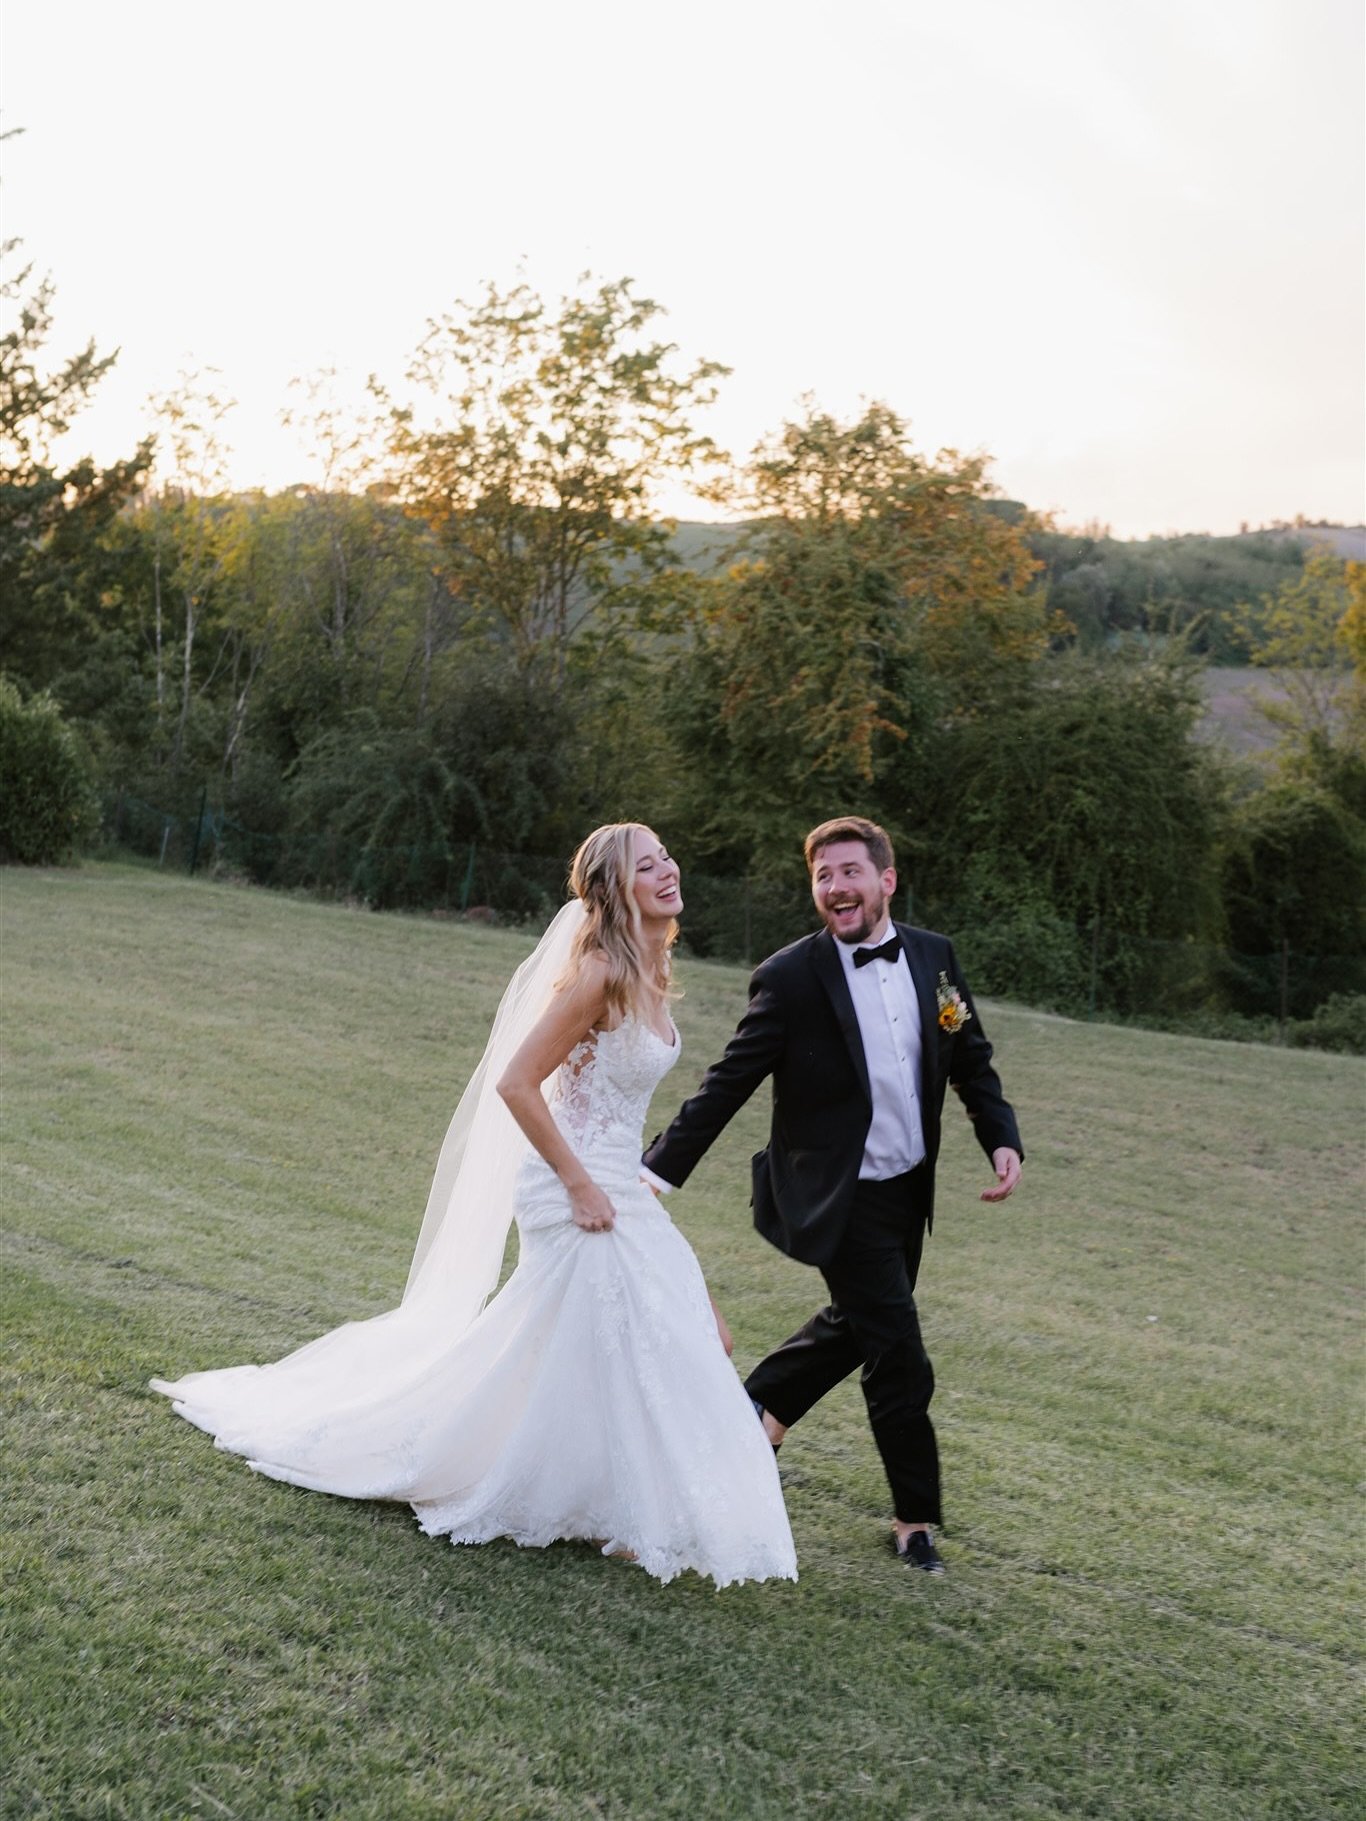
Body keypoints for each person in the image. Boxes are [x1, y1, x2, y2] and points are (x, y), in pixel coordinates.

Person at [152, 824, 795, 1589]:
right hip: (570, 1182)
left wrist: (615, 1181)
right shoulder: (596, 972)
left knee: (675, 1330)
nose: (666, 868)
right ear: (615, 889)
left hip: (619, 1180)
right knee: (641, 1327)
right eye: (645, 863)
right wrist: (579, 1183)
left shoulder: (653, 969)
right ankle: (562, 1490)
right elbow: (519, 1082)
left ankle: (610, 1500)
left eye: (665, 856)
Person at [642, 815, 1022, 1573]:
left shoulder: (934, 958)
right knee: (900, 1353)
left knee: (861, 1322)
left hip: (906, 1190)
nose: (836, 888)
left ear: (886, 880)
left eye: (850, 872)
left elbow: (968, 1055)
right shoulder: (790, 976)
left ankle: (757, 1412)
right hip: (836, 1194)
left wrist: (1000, 1134)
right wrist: (657, 1171)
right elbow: (731, 1078)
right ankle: (914, 1518)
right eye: (822, 876)